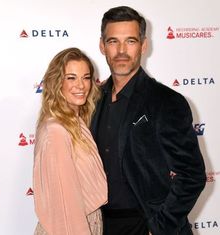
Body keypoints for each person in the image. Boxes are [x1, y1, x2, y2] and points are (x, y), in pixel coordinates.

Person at [91, 6, 206, 235]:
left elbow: (191, 175)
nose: (121, 50)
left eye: (130, 41)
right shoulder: (93, 99)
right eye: (113, 41)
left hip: (146, 225)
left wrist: (159, 227)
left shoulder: (166, 101)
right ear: (102, 46)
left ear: (144, 45)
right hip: (103, 225)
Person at [33, 47, 107, 235]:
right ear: (57, 82)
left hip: (86, 221)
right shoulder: (56, 131)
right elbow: (64, 204)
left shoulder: (75, 122)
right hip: (72, 227)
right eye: (71, 77)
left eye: (86, 77)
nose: (81, 85)